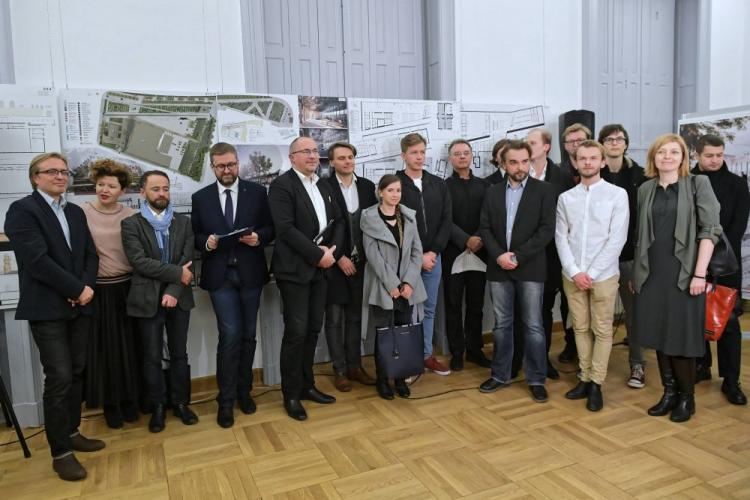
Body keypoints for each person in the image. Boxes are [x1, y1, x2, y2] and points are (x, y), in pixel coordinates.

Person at [5, 152, 104, 481]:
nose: (61, 176)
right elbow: (37, 261)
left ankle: (73, 432)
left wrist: (86, 288)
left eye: (64, 172)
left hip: (81, 303)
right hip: (48, 307)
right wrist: (76, 289)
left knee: (77, 372)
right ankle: (60, 451)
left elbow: (90, 254)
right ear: (35, 177)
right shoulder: (22, 211)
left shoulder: (74, 212)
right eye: (52, 172)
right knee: (59, 377)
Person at [633, 133, 721, 423]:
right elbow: (640, 237)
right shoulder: (645, 189)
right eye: (661, 152)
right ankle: (669, 393)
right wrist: (637, 273)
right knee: (660, 334)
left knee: (681, 338)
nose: (667, 157)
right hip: (652, 273)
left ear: (683, 157)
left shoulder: (698, 184)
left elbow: (710, 231)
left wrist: (699, 273)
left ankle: (687, 398)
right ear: (654, 158)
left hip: (684, 274)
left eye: (674, 152)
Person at [191, 142, 274, 428]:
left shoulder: (257, 192)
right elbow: (196, 236)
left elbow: (270, 229)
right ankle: (225, 400)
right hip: (220, 276)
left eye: (231, 165)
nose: (227, 170)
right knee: (230, 335)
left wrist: (259, 238)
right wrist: (207, 242)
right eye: (221, 166)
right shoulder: (200, 197)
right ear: (212, 167)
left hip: (250, 273)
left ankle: (244, 392)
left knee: (249, 335)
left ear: (238, 164)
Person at [268, 136, 343, 421]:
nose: (313, 156)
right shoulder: (281, 186)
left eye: (315, 151)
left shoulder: (322, 184)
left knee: (313, 329)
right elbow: (285, 229)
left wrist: (331, 251)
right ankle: (290, 393)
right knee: (296, 332)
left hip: (321, 268)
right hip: (295, 271)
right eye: (306, 151)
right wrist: (317, 254)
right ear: (292, 157)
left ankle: (306, 385)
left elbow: (336, 221)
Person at [478, 140, 556, 403]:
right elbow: (485, 228)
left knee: (533, 326)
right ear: (504, 163)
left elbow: (546, 230)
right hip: (499, 267)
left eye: (525, 161)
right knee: (501, 326)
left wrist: (518, 256)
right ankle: (500, 375)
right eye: (514, 162)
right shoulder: (492, 191)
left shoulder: (545, 191)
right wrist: (500, 254)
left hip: (531, 267)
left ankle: (536, 378)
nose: (520, 167)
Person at [121, 170, 198, 433]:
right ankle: (156, 406)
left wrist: (174, 290)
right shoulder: (131, 224)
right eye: (156, 189)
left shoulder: (183, 222)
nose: (162, 193)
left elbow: (188, 261)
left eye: (165, 188)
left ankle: (180, 403)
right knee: (151, 357)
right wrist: (177, 273)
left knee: (179, 353)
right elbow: (139, 262)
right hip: (146, 299)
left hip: (179, 298)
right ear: (142, 192)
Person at [556, 140, 629, 411]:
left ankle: (597, 383)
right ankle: (584, 378)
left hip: (604, 275)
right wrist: (575, 272)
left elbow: (617, 239)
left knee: (602, 330)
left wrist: (593, 273)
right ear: (575, 162)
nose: (587, 162)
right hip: (573, 275)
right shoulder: (566, 198)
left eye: (592, 158)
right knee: (581, 328)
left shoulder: (617, 195)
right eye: (582, 158)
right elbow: (561, 238)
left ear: (602, 162)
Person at [691, 134, 750, 405]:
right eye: (709, 156)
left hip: (726, 263)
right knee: (695, 317)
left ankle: (731, 380)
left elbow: (739, 225)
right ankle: (701, 367)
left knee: (728, 323)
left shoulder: (738, 184)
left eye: (719, 155)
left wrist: (712, 249)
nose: (715, 160)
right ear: (697, 155)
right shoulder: (686, 181)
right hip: (691, 262)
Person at [82, 159, 139, 429]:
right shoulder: (82, 213)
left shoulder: (130, 215)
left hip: (127, 287)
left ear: (122, 190)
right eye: (101, 184)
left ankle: (131, 400)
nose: (105, 189)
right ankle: (111, 405)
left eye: (111, 185)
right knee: (106, 352)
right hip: (98, 290)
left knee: (130, 347)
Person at [361, 174, 427, 399]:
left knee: (402, 331)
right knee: (384, 334)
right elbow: (373, 256)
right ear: (380, 192)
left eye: (398, 190)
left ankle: (400, 377)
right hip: (384, 286)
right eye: (390, 190)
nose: (395, 195)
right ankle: (382, 379)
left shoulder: (408, 217)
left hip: (406, 287)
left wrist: (408, 281)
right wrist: (392, 284)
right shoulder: (369, 217)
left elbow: (417, 252)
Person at [396, 133, 453, 375]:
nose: (419, 157)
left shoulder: (437, 183)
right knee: (407, 310)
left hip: (433, 258)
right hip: (406, 260)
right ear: (403, 156)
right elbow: (393, 222)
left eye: (422, 152)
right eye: (414, 153)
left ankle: (426, 355)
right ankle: (408, 362)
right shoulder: (394, 183)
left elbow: (446, 220)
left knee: (429, 308)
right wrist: (417, 257)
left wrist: (433, 252)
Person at [323, 142, 377, 392]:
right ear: (331, 162)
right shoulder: (323, 187)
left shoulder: (366, 187)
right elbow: (321, 228)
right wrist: (339, 257)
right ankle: (340, 370)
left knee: (356, 318)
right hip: (334, 264)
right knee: (334, 319)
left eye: (351, 157)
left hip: (362, 264)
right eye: (341, 158)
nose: (347, 162)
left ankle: (355, 366)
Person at [597, 124, 647, 389]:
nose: (615, 142)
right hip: (601, 258)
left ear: (626, 143)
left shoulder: (640, 175)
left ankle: (637, 364)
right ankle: (595, 367)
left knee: (633, 314)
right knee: (599, 314)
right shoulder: (594, 174)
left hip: (630, 257)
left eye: (620, 139)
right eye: (609, 139)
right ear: (602, 144)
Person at [526, 128, 575, 379]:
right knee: (529, 311)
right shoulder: (519, 173)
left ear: (546, 147)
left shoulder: (562, 176)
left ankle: (543, 361)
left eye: (532, 142)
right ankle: (531, 360)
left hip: (554, 254)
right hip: (525, 254)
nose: (528, 146)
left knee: (546, 309)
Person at [443, 139, 491, 371]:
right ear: (450, 159)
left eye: (466, 153)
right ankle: (457, 352)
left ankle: (475, 350)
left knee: (476, 304)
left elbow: (489, 216)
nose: (462, 157)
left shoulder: (485, 186)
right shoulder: (443, 187)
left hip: (480, 253)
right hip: (453, 253)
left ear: (472, 156)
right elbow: (444, 219)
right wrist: (465, 239)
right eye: (457, 153)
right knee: (453, 305)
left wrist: (478, 238)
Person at [559, 123, 591, 188]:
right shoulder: (557, 171)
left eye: (580, 140)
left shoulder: (600, 169)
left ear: (589, 142)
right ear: (565, 146)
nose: (575, 144)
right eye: (571, 141)